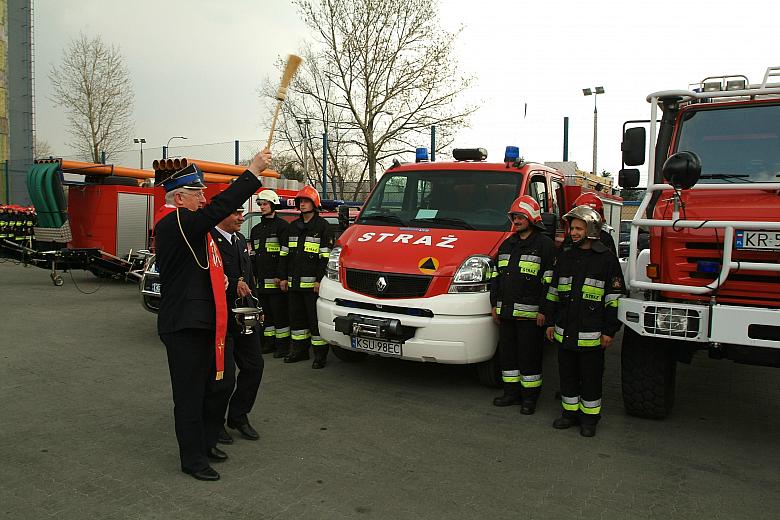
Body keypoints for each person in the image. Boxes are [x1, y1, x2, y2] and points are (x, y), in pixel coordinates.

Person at [155, 148, 271, 481]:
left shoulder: (186, 225)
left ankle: (205, 444)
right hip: (184, 325)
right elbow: (217, 211)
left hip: (201, 322)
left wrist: (217, 278)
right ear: (179, 198)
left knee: (211, 388)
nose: (203, 198)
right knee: (190, 396)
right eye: (197, 193)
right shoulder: (174, 220)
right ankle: (192, 459)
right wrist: (252, 171)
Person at [544, 205, 625, 438]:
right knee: (567, 375)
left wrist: (609, 331)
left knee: (590, 379)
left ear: (591, 229)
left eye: (579, 228)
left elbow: (613, 299)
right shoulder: (566, 257)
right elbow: (553, 293)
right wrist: (550, 322)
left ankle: (589, 419)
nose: (574, 233)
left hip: (592, 335)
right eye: (572, 228)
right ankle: (569, 414)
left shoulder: (606, 259)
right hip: (565, 331)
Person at [490, 196, 556, 414]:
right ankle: (511, 393)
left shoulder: (544, 245)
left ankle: (529, 399)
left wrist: (545, 311)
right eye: (514, 217)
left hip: (530, 317)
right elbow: (496, 277)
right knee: (508, 357)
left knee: (529, 359)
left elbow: (550, 282)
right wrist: (494, 305)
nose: (516, 221)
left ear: (531, 218)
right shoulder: (507, 244)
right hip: (506, 313)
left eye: (520, 216)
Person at [210, 207, 264, 444]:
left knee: (254, 366)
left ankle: (238, 416)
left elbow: (248, 275)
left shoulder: (241, 239)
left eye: (242, 213)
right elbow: (209, 275)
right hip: (220, 317)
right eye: (236, 213)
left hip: (244, 315)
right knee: (224, 377)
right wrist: (233, 284)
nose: (242, 218)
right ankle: (214, 423)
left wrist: (256, 306)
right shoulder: (209, 240)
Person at [283, 185, 333, 369]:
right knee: (296, 319)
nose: (302, 204)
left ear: (314, 204)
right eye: (300, 201)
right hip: (294, 283)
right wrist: (282, 278)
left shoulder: (322, 227)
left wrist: (320, 281)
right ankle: (299, 351)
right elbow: (284, 254)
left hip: (313, 285)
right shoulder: (293, 227)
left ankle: (320, 355)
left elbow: (325, 258)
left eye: (306, 201)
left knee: (314, 320)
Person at [249, 189, 291, 359]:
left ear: (273, 205)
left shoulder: (282, 227)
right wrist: (252, 274)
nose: (262, 207)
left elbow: (285, 254)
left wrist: (281, 276)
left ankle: (283, 346)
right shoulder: (256, 229)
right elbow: (254, 255)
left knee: (279, 315)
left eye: (265, 204)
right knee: (266, 315)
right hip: (261, 281)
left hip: (276, 281)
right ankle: (269, 343)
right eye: (260, 204)